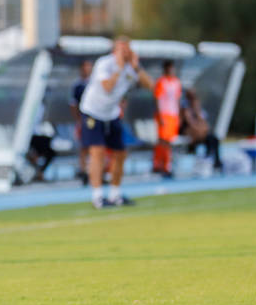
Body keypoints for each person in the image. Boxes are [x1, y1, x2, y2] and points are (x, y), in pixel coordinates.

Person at [78, 36, 154, 209]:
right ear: (115, 51)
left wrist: (136, 67)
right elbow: (107, 87)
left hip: (111, 114)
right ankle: (97, 197)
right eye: (123, 49)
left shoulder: (131, 67)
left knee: (120, 153)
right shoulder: (104, 64)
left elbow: (150, 85)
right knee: (97, 152)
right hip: (93, 112)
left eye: (128, 49)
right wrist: (119, 69)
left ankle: (115, 194)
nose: (126, 53)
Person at [152, 60, 182, 178]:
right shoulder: (161, 82)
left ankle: (164, 164)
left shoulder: (176, 82)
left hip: (173, 115)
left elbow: (177, 99)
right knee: (162, 141)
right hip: (163, 114)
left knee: (168, 141)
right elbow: (158, 99)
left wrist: (179, 115)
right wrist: (160, 115)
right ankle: (161, 165)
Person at [182, 89, 222, 173]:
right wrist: (201, 129)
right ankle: (207, 159)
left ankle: (214, 161)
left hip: (200, 134)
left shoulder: (199, 111)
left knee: (213, 139)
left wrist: (198, 113)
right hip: (192, 134)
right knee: (204, 136)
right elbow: (191, 124)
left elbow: (205, 125)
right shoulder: (186, 110)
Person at [69, 60, 93, 184]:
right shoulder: (77, 85)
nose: (87, 69)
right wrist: (79, 120)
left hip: (95, 118)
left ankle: (95, 171)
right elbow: (73, 104)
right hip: (85, 119)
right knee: (84, 146)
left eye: (89, 67)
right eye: (85, 67)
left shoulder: (95, 83)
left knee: (96, 146)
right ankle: (84, 172)